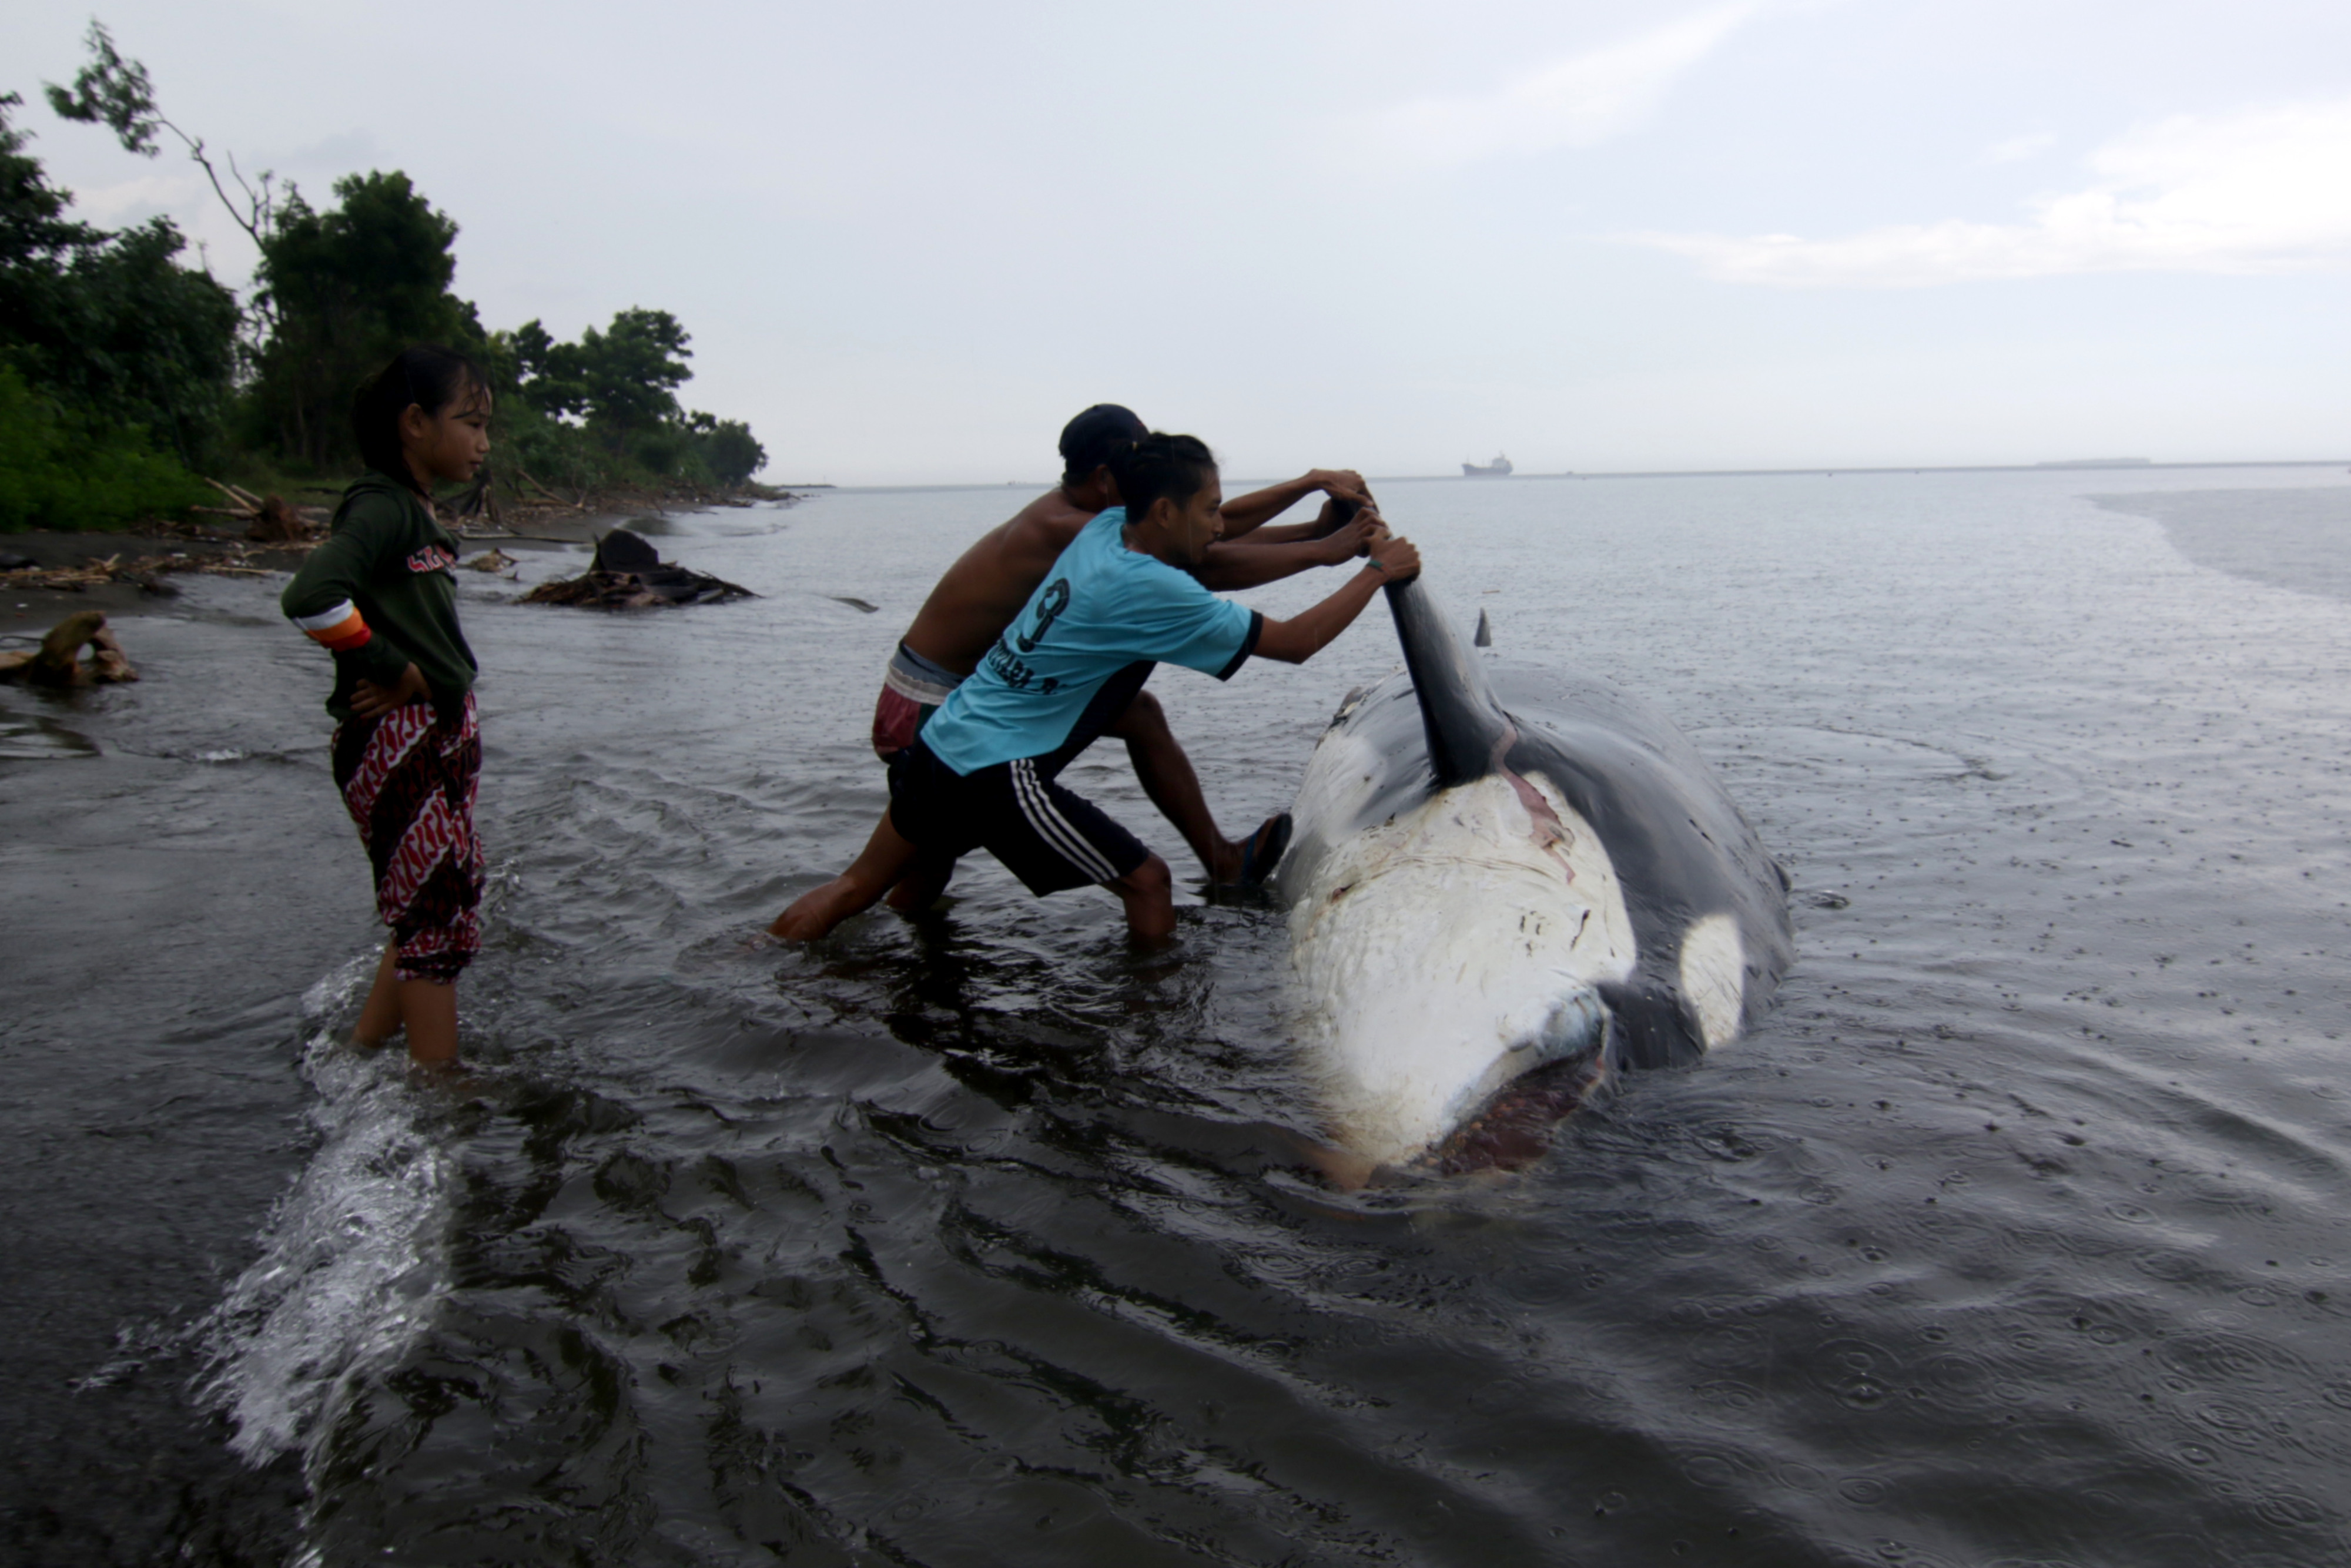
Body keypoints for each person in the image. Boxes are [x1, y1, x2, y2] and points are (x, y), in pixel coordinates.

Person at [775, 431, 1422, 944]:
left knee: (858, 885)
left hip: (942, 740)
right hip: (994, 770)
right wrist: (1374, 569)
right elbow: (1294, 642)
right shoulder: (1150, 587)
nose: (1221, 523)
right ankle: (1152, 1027)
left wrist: (1317, 517)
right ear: (1165, 512)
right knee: (1148, 882)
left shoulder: (1104, 529)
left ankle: (758, 958)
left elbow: (1216, 537)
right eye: (1210, 509)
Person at [872, 404, 1385, 894]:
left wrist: (1311, 497)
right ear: (1104, 477)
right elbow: (1206, 561)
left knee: (1140, 713)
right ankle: (903, 960)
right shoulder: (1073, 530)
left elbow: (1201, 522)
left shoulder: (1099, 518)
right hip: (930, 700)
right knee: (925, 863)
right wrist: (1326, 548)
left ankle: (1221, 861)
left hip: (976, 692)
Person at [280, 346, 493, 1065]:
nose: (483, 442)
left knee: (436, 901)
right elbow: (309, 596)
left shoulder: (415, 509)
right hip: (395, 739)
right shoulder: (381, 506)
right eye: (470, 422)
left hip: (434, 735)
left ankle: (361, 1050)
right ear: (413, 422)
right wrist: (389, 666)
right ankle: (439, 1094)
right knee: (431, 917)